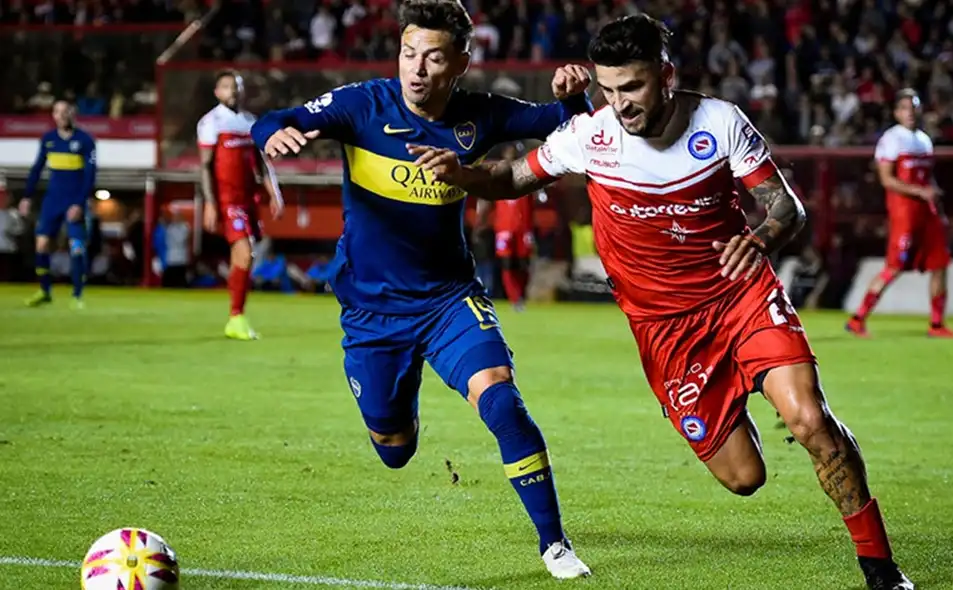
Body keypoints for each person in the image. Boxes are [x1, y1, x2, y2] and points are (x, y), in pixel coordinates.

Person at [408, 14, 913, 590]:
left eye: (633, 87)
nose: (620, 104)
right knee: (745, 477)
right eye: (609, 89)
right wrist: (464, 174)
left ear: (666, 75)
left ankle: (880, 567)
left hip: (739, 295)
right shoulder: (589, 136)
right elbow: (512, 177)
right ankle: (732, 395)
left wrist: (760, 240)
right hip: (666, 331)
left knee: (809, 420)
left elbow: (786, 207)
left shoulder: (718, 122)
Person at [250, 0, 592, 578]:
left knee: (503, 402)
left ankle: (554, 545)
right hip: (372, 312)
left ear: (459, 62)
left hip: (447, 299)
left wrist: (573, 95)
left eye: (433, 58)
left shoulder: (479, 116)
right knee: (394, 448)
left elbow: (567, 126)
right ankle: (400, 414)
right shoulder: (363, 105)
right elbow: (272, 117)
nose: (417, 68)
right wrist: (274, 135)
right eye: (409, 53)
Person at [847, 90, 953, 338]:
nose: (910, 113)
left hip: (927, 212)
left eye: (914, 108)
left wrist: (935, 203)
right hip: (905, 213)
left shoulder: (923, 139)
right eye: (905, 109)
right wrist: (920, 192)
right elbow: (887, 180)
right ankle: (858, 319)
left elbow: (927, 176)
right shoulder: (891, 139)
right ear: (897, 112)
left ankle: (937, 324)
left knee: (940, 264)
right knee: (894, 267)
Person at [198, 69, 285, 340]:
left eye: (236, 86)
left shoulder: (250, 122)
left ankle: (237, 318)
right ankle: (236, 317)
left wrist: (275, 193)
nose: (232, 91)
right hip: (227, 200)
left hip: (248, 199)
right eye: (226, 86)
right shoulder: (211, 122)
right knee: (245, 253)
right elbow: (204, 166)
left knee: (246, 258)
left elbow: (263, 163)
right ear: (217, 92)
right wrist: (209, 204)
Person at [21, 101, 96, 308]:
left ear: (73, 114)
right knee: (42, 244)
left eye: (66, 111)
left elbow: (90, 176)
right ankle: (45, 291)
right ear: (53, 115)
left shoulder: (85, 140)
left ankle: (77, 295)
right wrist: (27, 196)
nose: (62, 115)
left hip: (74, 202)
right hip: (52, 201)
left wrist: (80, 204)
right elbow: (37, 168)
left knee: (77, 248)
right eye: (58, 112)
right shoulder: (48, 140)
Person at [476, 142, 538, 311]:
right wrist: (481, 221)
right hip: (504, 228)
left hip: (523, 228)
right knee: (507, 262)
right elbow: (487, 200)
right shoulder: (497, 175)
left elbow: (535, 202)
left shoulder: (527, 174)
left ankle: (521, 294)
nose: (511, 156)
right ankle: (514, 298)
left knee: (523, 263)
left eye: (515, 153)